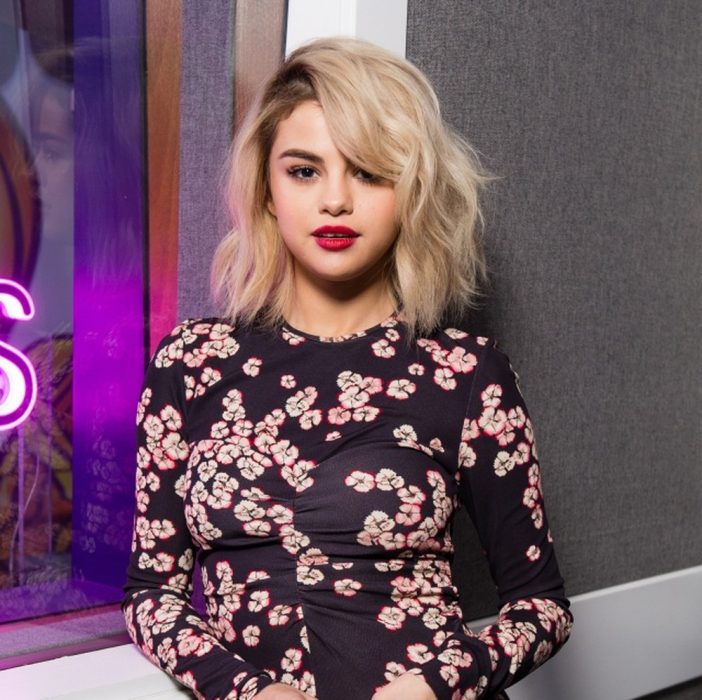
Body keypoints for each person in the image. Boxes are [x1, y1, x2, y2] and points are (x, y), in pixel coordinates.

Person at [122, 37, 573, 700]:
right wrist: (249, 691)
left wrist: (432, 688)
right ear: (268, 191)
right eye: (304, 170)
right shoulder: (191, 363)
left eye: (368, 172)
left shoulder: (467, 374)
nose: (335, 200)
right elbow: (150, 596)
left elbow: (542, 609)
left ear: (410, 190)